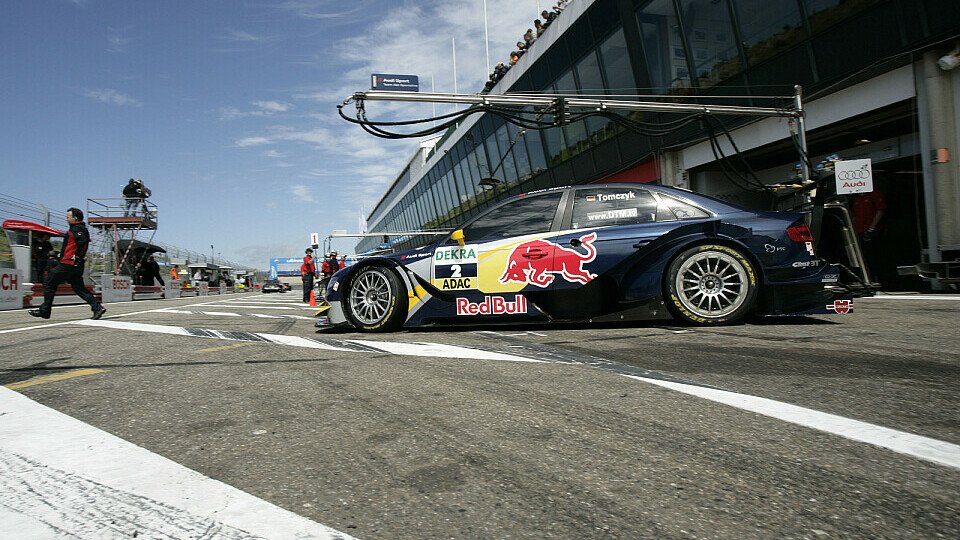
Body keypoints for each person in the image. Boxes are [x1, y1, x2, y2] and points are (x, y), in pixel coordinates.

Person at [29, 208, 106, 320]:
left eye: (68, 217)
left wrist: (77, 256)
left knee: (49, 283)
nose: (66, 219)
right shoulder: (80, 228)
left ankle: (45, 311)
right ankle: (97, 307)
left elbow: (82, 242)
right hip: (75, 264)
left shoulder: (77, 228)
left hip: (68, 263)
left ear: (75, 218)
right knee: (78, 288)